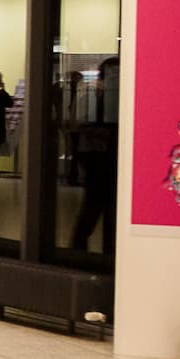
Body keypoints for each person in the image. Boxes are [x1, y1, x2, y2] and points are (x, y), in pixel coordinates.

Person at [70, 57, 119, 254]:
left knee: (106, 208)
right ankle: (78, 251)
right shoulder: (90, 95)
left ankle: (106, 252)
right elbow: (79, 124)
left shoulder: (114, 98)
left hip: (105, 156)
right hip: (94, 156)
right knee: (93, 206)